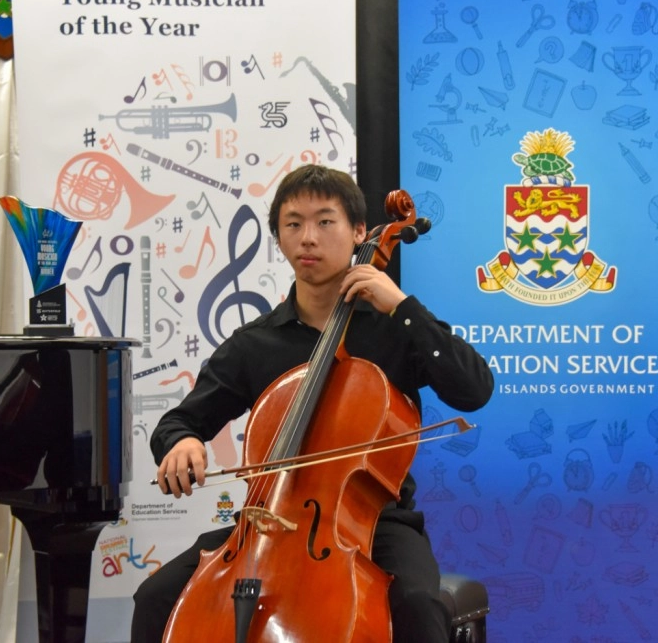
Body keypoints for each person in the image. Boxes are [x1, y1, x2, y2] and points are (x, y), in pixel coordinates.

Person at [131, 164, 494, 642]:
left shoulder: (394, 328)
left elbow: (474, 389)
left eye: (325, 221)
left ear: (359, 232)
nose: (308, 237)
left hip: (376, 523)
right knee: (156, 596)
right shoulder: (256, 343)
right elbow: (179, 422)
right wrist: (182, 442)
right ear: (279, 238)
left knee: (415, 604)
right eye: (293, 224)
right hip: (265, 523)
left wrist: (402, 307)